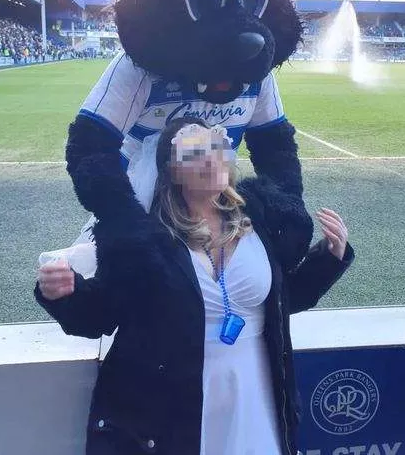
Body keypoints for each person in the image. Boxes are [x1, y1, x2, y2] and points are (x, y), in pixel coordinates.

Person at [35, 117, 354, 455]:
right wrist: (64, 292)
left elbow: (282, 300)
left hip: (255, 391)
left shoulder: (257, 220)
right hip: (173, 402)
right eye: (194, 153)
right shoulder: (143, 238)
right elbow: (102, 314)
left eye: (215, 149)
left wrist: (330, 256)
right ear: (173, 172)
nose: (209, 159)